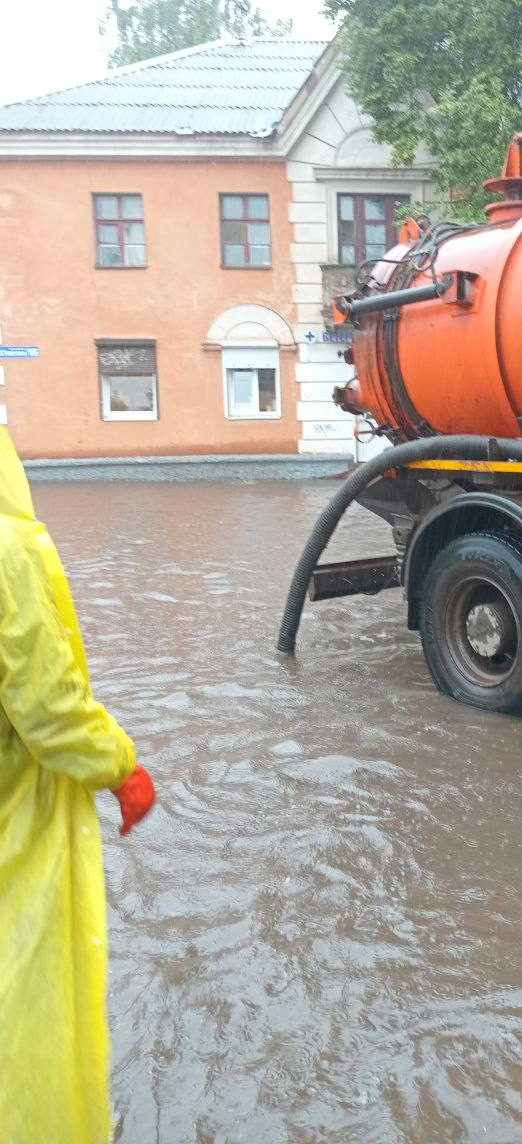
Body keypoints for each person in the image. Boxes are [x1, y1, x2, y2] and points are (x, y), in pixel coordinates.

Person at [0, 428, 154, 1144]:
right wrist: (121, 767)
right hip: (16, 826)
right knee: (29, 996)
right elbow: (48, 708)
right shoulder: (10, 549)